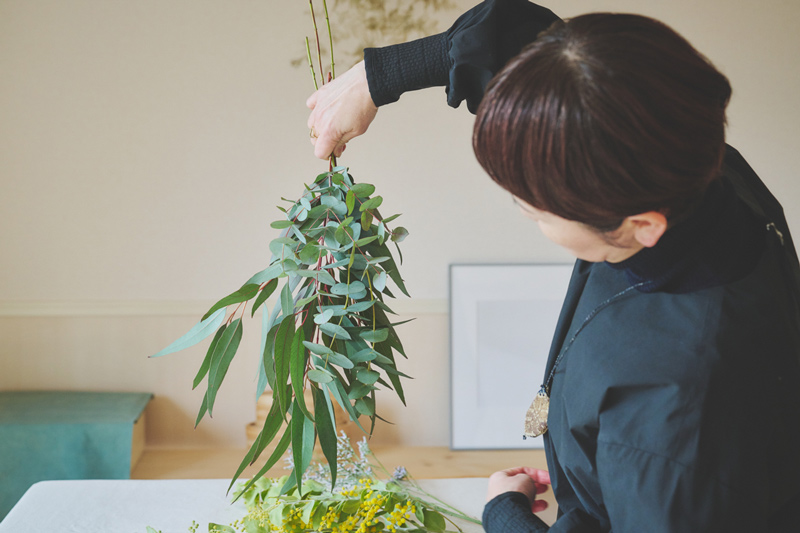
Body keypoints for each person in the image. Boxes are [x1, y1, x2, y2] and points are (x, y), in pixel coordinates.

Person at [306, 1, 800, 531]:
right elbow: (525, 37)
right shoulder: (688, 160)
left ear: (643, 225)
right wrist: (376, 79)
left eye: (535, 209)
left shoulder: (677, 430)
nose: (522, 211)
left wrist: (504, 514)